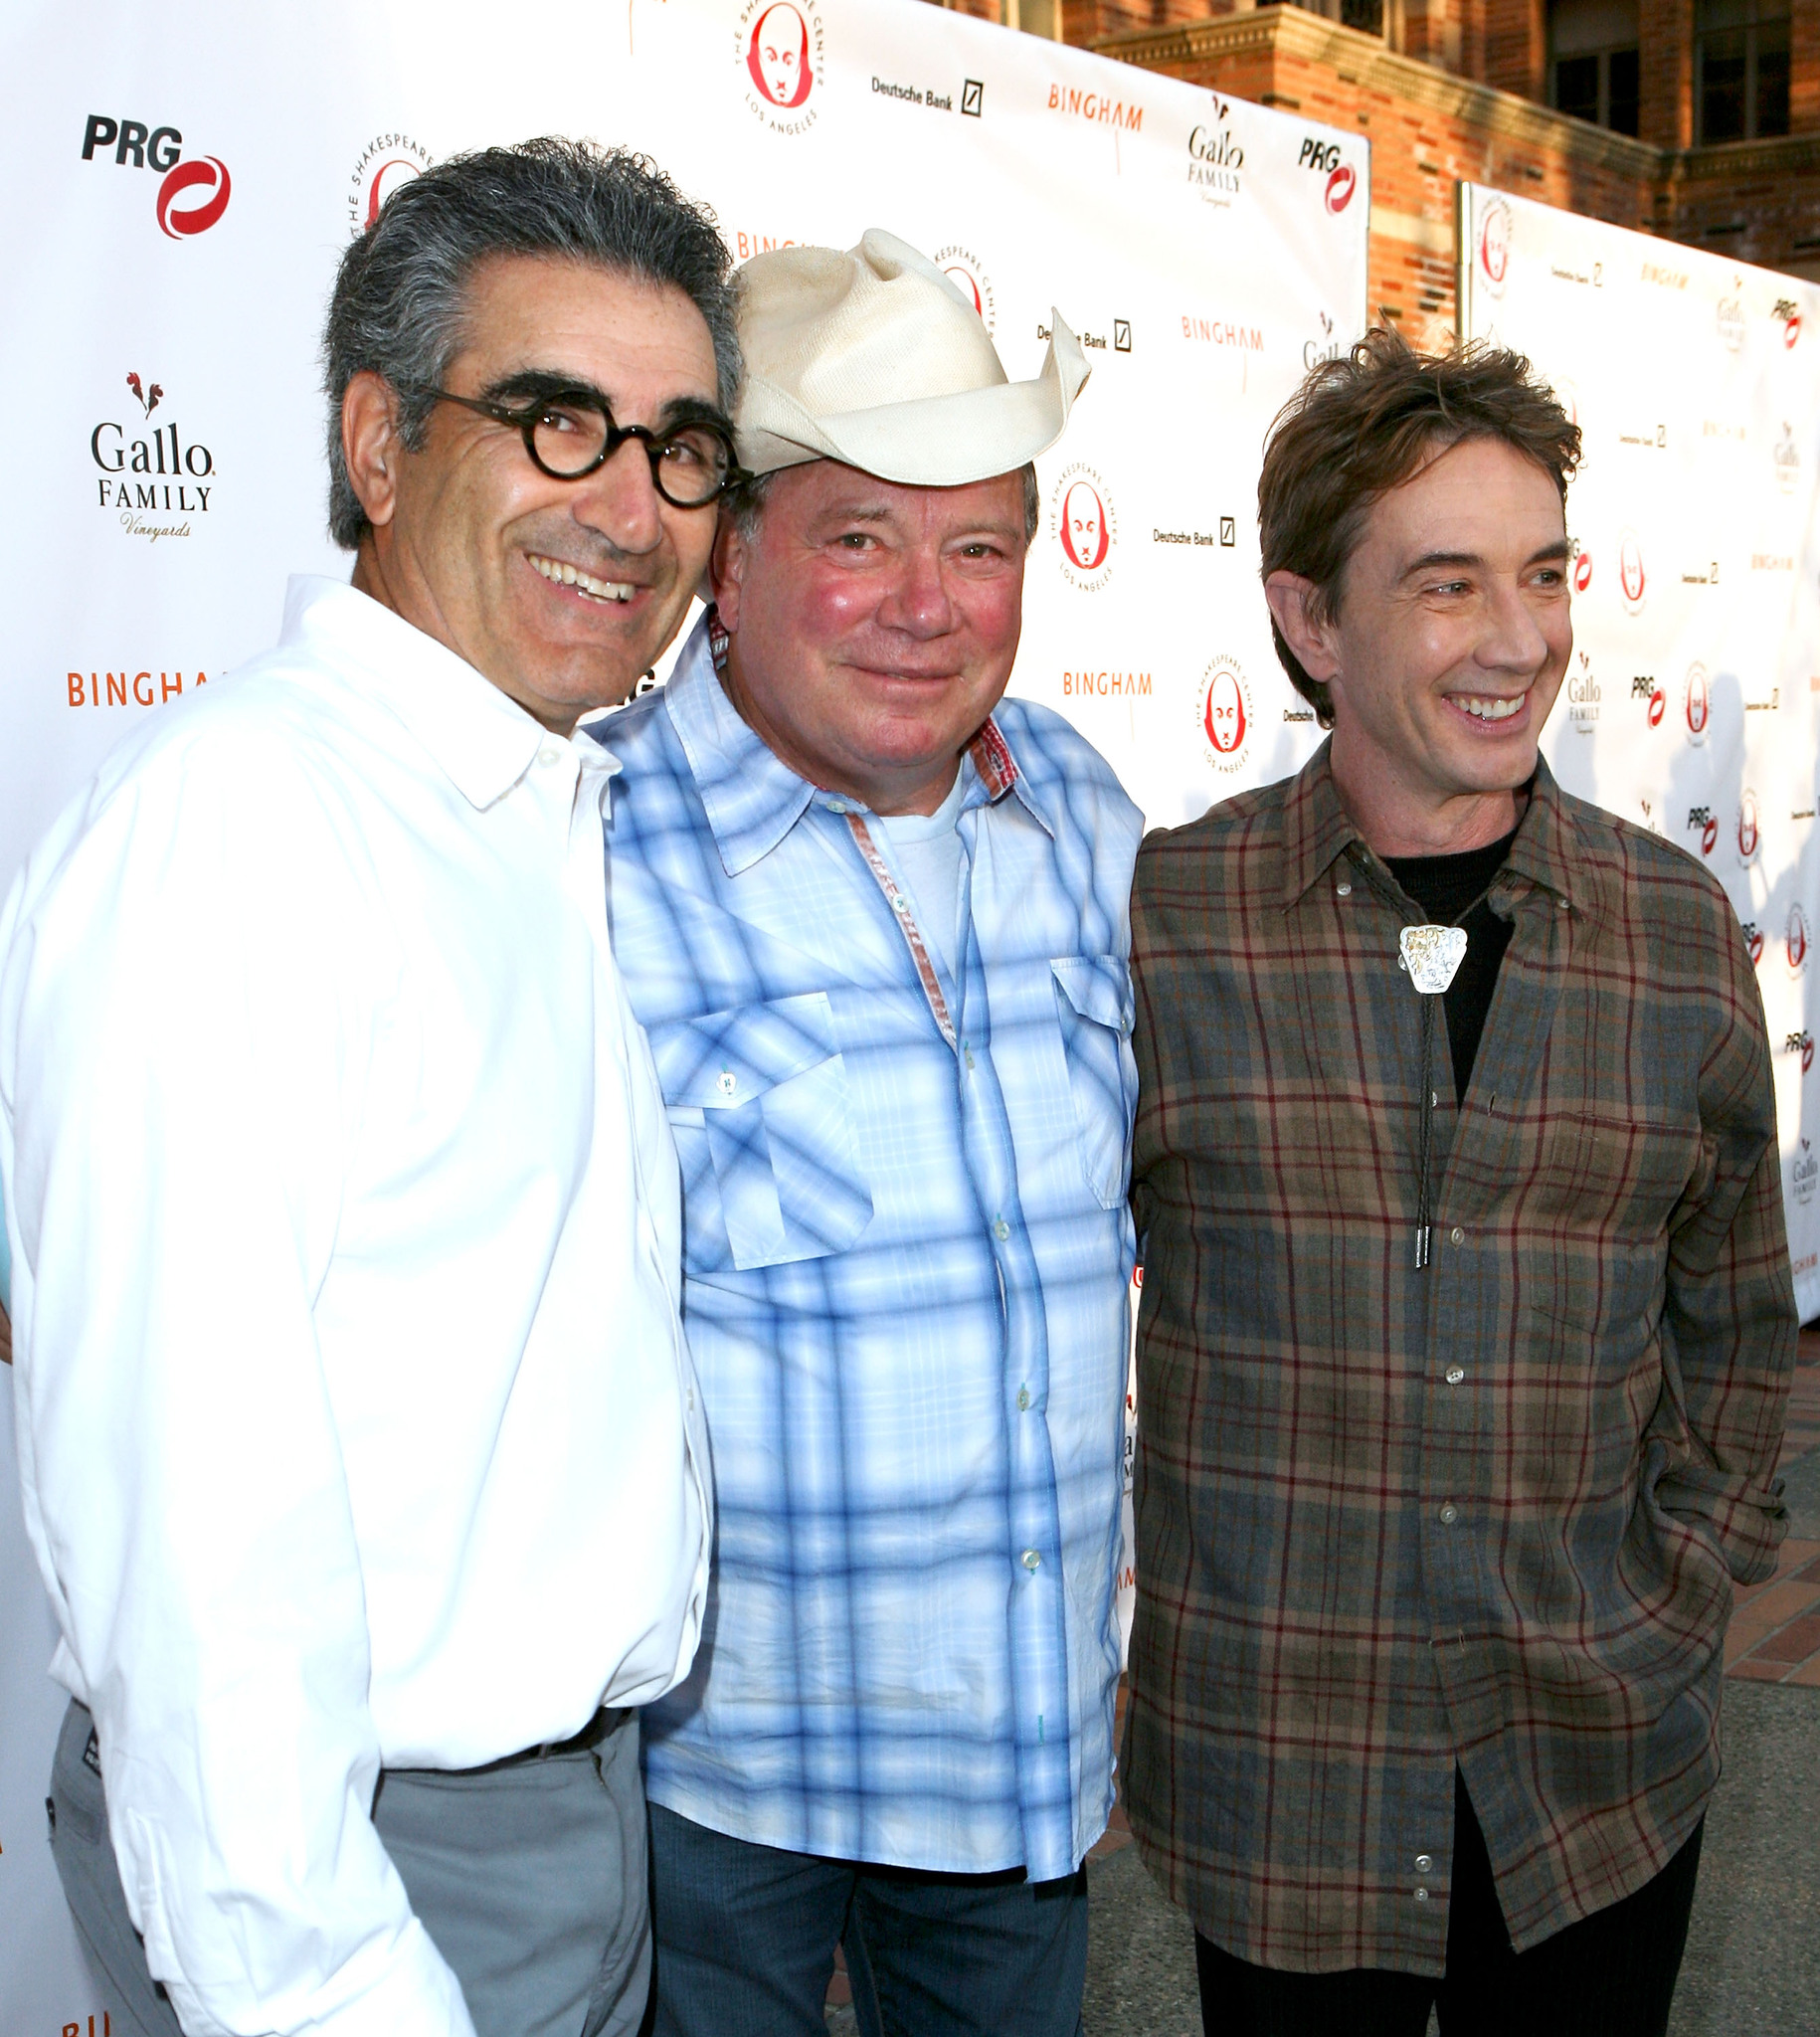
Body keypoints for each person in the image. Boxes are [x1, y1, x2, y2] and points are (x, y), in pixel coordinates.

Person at [0, 138, 741, 2037]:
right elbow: (193, 1562)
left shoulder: (513, 805)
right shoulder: (241, 838)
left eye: (680, 447)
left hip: (553, 1829)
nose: (633, 504)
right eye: (555, 421)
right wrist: (330, 1995)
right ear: (377, 443)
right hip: (365, 1890)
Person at [1122, 330, 1797, 2037]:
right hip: (1285, 1776)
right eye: (1444, 586)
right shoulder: (1169, 925)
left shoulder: (1669, 935)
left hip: (1592, 1771)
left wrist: (1683, 1587)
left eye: (1542, 573)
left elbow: (1730, 1309)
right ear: (1306, 622)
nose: (1519, 640)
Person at [598, 231, 1138, 2036]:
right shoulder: (582, 850)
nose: (929, 603)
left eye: (978, 545)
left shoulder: (1075, 803)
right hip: (716, 1778)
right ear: (728, 563)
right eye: (859, 538)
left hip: (1017, 1755)